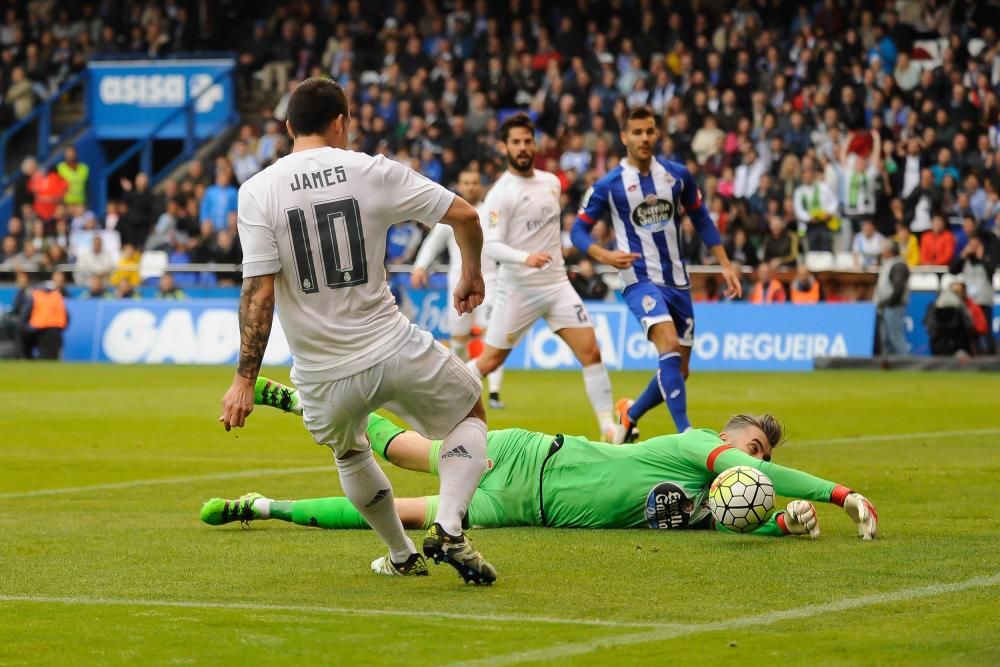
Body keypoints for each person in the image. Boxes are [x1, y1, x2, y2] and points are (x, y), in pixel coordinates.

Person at [223, 78, 495, 583]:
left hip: (321, 374)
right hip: (390, 346)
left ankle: (401, 554)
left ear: (287, 128)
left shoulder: (257, 191)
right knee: (470, 411)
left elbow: (258, 292)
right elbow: (465, 215)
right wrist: (471, 272)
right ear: (341, 122)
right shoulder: (371, 170)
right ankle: (450, 526)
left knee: (349, 451)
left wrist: (245, 379)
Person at [204, 393, 879, 541]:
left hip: (527, 507)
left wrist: (784, 524)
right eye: (753, 450)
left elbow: (737, 526)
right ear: (728, 435)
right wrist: (837, 491)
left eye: (760, 459)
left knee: (391, 515)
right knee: (404, 450)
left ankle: (263, 506)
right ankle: (303, 399)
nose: (753, 467)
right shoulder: (694, 444)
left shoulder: (715, 501)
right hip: (530, 455)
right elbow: (748, 475)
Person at [572, 106, 741, 441]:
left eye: (649, 131)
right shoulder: (609, 184)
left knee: (679, 370)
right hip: (639, 280)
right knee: (668, 343)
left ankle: (629, 415)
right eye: (637, 132)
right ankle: (687, 434)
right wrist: (604, 254)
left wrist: (725, 264)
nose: (644, 138)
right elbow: (578, 231)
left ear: (657, 133)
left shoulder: (677, 175)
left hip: (678, 281)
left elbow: (702, 218)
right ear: (624, 137)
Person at [469, 112, 617, 442]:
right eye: (516, 142)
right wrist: (526, 258)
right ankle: (441, 401)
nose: (523, 147)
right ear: (504, 147)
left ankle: (610, 428)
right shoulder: (500, 194)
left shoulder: (551, 182)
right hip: (518, 289)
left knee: (591, 353)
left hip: (556, 285)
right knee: (489, 361)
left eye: (527, 141)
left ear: (535, 143)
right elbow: (491, 246)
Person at [411, 169, 506, 405]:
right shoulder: (454, 214)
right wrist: (420, 266)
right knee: (459, 339)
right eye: (466, 182)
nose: (471, 187)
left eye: (475, 182)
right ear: (460, 185)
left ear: (481, 185)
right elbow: (433, 243)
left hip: (492, 282)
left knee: (490, 336)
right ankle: (464, 387)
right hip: (458, 285)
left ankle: (494, 393)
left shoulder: (491, 213)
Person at [949, 232, 996, 354]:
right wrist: (962, 255)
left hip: (984, 301)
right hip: (969, 302)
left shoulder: (987, 258)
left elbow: (992, 271)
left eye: (975, 243)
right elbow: (952, 270)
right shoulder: (966, 259)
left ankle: (992, 359)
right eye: (971, 243)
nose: (973, 246)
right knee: (969, 332)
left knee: (986, 331)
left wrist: (982, 258)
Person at [793, 161, 839, 252]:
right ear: (802, 177)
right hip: (809, 224)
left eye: (810, 175)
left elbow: (834, 201)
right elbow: (798, 210)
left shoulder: (823, 187)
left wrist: (828, 213)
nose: (808, 178)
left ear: (813, 176)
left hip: (825, 223)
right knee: (812, 249)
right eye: (805, 176)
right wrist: (809, 218)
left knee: (826, 247)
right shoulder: (799, 192)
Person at [874, 241, 910, 355]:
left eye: (884, 250)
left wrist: (886, 302)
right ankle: (888, 366)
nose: (882, 252)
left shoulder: (898, 265)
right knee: (886, 340)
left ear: (889, 251)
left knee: (895, 338)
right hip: (886, 306)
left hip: (894, 306)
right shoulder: (889, 264)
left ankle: (905, 365)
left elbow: (898, 289)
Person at [21, 279, 69, 359]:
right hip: (54, 331)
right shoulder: (58, 297)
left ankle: (26, 357)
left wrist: (28, 328)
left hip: (38, 330)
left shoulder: (35, 295)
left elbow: (24, 316)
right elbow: (67, 317)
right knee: (50, 357)